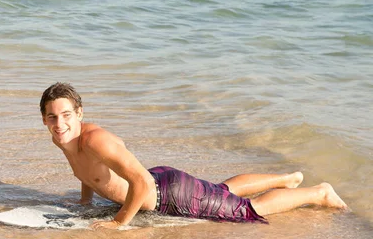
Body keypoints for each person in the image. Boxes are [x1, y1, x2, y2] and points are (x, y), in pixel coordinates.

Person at [40, 82, 348, 230]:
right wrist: (85, 201)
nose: (60, 123)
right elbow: (90, 170)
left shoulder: (94, 140)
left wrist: (118, 223)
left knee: (246, 210)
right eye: (52, 117)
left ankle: (319, 192)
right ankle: (287, 179)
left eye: (66, 115)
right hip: (165, 183)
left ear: (80, 113)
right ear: (44, 119)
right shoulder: (65, 138)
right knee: (220, 191)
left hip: (168, 194)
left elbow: (141, 183)